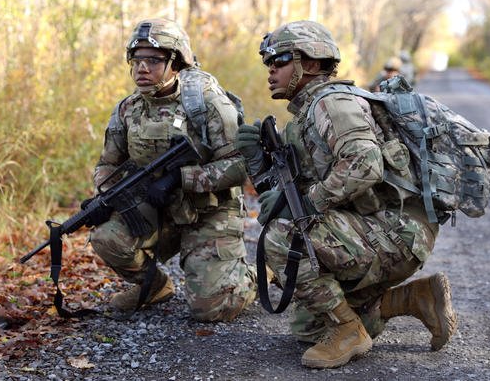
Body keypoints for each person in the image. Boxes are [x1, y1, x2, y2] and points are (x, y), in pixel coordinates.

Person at [236, 20, 457, 368]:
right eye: (268, 63)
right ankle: (415, 298)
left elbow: (366, 163)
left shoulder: (332, 104)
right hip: (373, 230)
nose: (270, 70)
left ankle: (348, 329)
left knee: (282, 238)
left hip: (394, 232)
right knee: (307, 328)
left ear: (309, 64)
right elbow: (286, 197)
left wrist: (309, 204)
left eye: (279, 60)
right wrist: (260, 169)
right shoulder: (306, 115)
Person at [86, 18, 257, 322]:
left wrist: (182, 178)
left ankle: (258, 275)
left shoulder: (206, 103)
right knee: (106, 238)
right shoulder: (127, 109)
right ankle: (153, 286)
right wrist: (104, 193)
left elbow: (240, 166)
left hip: (209, 210)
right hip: (159, 207)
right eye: (136, 60)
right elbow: (107, 165)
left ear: (176, 62)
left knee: (212, 308)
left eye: (153, 60)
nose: (142, 68)